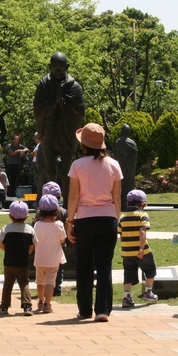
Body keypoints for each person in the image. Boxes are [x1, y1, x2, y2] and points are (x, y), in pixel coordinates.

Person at [66, 123, 123, 322]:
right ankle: (103, 310)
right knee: (104, 265)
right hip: (108, 218)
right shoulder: (114, 165)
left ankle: (84, 309)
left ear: (84, 145)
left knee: (84, 266)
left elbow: (73, 196)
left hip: (84, 219)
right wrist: (116, 219)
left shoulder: (77, 165)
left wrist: (70, 221)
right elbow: (117, 197)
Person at [34, 52, 85, 208]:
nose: (57, 70)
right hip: (49, 133)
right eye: (54, 67)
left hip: (67, 135)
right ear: (50, 67)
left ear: (67, 67)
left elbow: (80, 111)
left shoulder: (74, 87)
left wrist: (63, 105)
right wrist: (53, 105)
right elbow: (38, 109)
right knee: (50, 173)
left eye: (61, 68)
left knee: (67, 173)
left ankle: (69, 206)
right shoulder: (43, 85)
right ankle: (48, 207)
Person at [118, 189, 158, 308]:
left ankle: (126, 297)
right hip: (142, 250)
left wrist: (125, 247)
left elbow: (121, 235)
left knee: (128, 273)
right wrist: (141, 248)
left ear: (127, 203)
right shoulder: (142, 215)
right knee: (150, 269)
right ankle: (148, 292)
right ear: (143, 204)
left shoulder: (122, 217)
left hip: (126, 251)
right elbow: (142, 231)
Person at [0, 201, 37, 316]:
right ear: (27, 216)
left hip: (9, 261)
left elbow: (1, 243)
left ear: (10, 216)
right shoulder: (29, 229)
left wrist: (8, 250)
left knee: (8, 283)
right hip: (23, 262)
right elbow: (32, 246)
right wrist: (26, 253)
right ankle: (27, 306)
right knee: (24, 283)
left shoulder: (6, 228)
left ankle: (4, 306)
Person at [33, 181, 67, 296]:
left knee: (41, 278)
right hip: (58, 245)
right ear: (59, 196)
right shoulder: (63, 212)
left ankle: (42, 299)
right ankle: (57, 287)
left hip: (41, 247)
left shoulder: (38, 215)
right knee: (58, 268)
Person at [114, 124, 138, 211]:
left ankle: (122, 204)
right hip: (129, 169)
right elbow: (135, 155)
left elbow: (115, 155)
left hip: (120, 168)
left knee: (121, 186)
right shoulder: (132, 142)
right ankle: (128, 204)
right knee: (128, 186)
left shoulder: (118, 142)